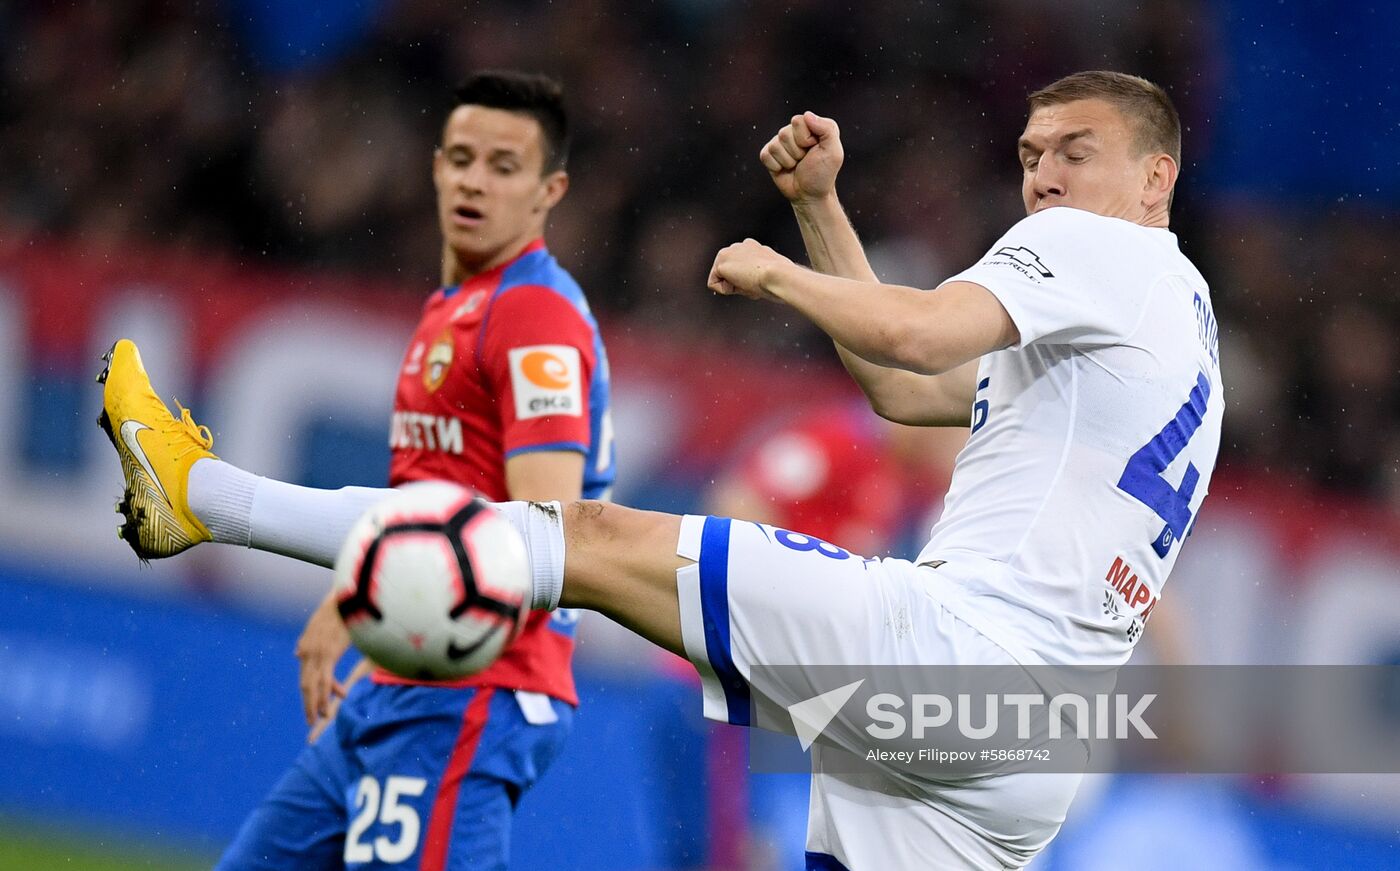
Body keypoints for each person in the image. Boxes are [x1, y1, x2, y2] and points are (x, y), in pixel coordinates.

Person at [98, 70, 1222, 868]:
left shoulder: (1098, 248)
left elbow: (917, 335)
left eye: (1073, 152)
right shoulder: (1178, 346)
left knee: (579, 536)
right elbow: (902, 392)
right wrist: (824, 209)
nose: (1040, 178)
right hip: (1025, 746)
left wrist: (781, 272)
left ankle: (202, 496)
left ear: (1153, 176)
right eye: (1028, 156)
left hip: (959, 647)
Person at [99, 71, 614, 869]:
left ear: (551, 191)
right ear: (436, 166)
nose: (475, 180)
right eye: (462, 157)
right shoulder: (457, 304)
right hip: (399, 670)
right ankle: (194, 496)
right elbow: (443, 505)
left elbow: (545, 531)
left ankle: (200, 494)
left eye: (504, 166)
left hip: (473, 684)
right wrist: (354, 600)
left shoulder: (532, 313)